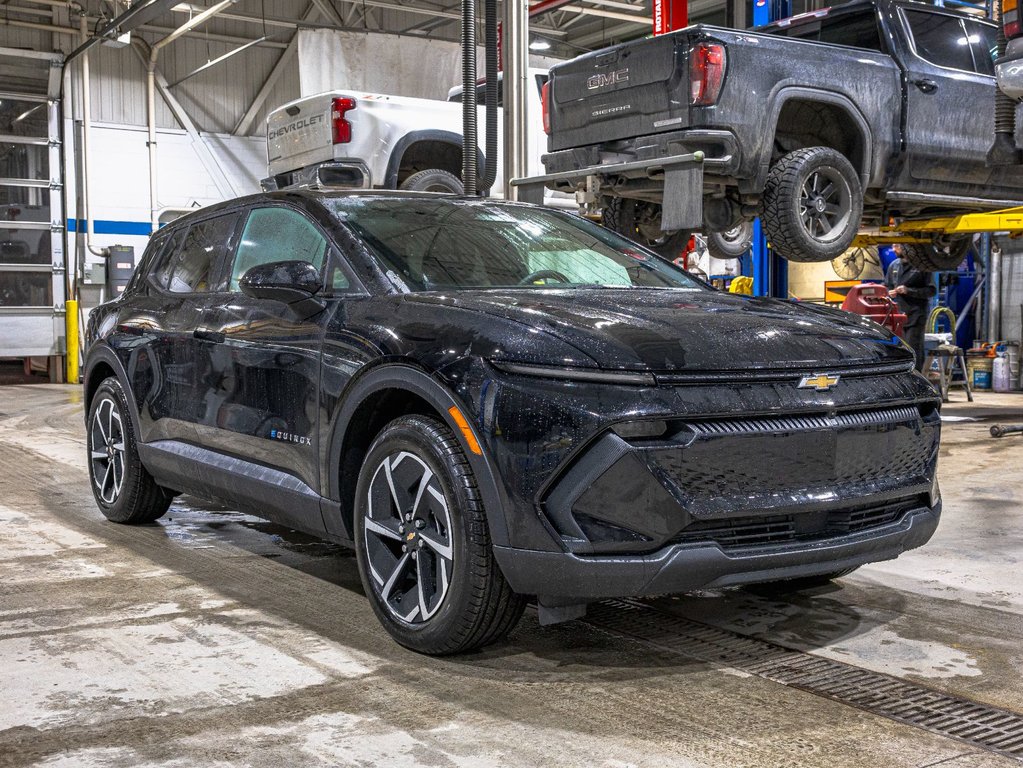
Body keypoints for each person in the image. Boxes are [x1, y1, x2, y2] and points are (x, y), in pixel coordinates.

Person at [885, 245, 935, 371]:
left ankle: (916, 377)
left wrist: (909, 291)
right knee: (898, 349)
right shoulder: (894, 266)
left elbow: (931, 290)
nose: (894, 249)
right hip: (897, 316)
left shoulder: (922, 266)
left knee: (913, 348)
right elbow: (887, 286)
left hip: (916, 314)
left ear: (906, 246)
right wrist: (889, 292)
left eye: (897, 246)